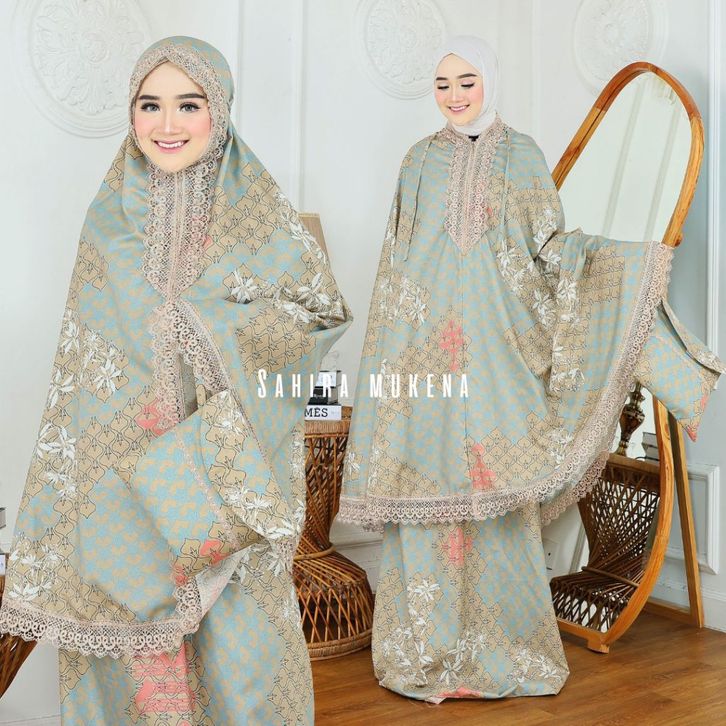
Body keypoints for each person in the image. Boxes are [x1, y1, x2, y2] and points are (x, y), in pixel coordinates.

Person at [338, 35, 724, 702]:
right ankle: (428, 652)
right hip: (423, 355)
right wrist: (390, 358)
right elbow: (396, 263)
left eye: (466, 81)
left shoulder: (522, 156)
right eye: (443, 84)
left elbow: (551, 252)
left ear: (489, 80)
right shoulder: (417, 161)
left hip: (501, 353)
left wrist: (622, 267)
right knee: (429, 489)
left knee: (499, 492)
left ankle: (500, 650)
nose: (455, 96)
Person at [0, 36, 351, 724]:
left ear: (219, 108)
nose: (167, 124)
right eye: (149, 104)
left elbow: (319, 314)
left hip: (223, 467)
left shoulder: (259, 214)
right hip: (121, 473)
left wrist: (210, 323)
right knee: (131, 644)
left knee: (240, 641)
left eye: (188, 105)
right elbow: (82, 363)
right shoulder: (107, 221)